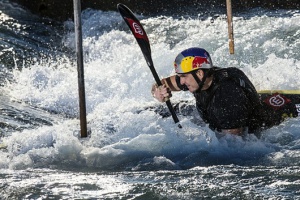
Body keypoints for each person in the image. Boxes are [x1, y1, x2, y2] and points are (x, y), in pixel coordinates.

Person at [151, 47, 272, 137]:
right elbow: (160, 84)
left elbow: (234, 146)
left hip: (246, 129)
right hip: (209, 116)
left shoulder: (227, 98)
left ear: (200, 73)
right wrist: (158, 91)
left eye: (183, 76)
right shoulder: (199, 78)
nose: (181, 82)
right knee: (154, 111)